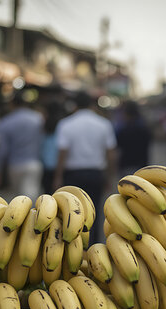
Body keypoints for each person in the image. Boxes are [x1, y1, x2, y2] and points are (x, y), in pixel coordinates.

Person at [53, 91, 117, 245]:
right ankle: (92, 249)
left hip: (72, 175)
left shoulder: (65, 124)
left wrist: (58, 177)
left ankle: (73, 247)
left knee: (71, 213)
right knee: (93, 213)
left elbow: (62, 153)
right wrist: (109, 177)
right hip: (96, 174)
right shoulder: (104, 124)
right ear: (92, 105)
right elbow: (110, 154)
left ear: (75, 105)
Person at [0, 91, 44, 202]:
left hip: (15, 165)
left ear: (12, 104)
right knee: (31, 200)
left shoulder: (5, 122)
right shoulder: (38, 119)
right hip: (33, 163)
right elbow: (43, 142)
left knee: (18, 201)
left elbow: (2, 150)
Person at [115, 100, 152, 177]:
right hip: (142, 166)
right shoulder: (144, 128)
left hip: (126, 165)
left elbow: (118, 146)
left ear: (126, 113)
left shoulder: (123, 130)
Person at [41, 101, 67, 193]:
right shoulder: (63, 124)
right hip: (59, 165)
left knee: (47, 193)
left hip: (46, 164)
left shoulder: (45, 124)